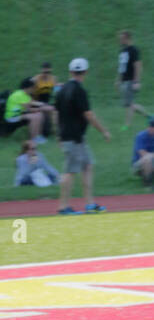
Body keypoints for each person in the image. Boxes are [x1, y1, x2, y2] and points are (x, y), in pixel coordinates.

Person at [54, 57, 111, 214]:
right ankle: (63, 206)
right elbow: (89, 115)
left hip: (73, 137)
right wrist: (104, 130)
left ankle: (90, 203)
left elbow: (55, 113)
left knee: (87, 165)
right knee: (70, 171)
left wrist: (58, 134)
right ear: (85, 72)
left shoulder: (62, 89)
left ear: (71, 72)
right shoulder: (79, 90)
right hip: (74, 138)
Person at [116, 29, 146, 129]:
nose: (120, 41)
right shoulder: (123, 51)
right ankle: (148, 116)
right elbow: (122, 67)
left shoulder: (134, 50)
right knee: (131, 104)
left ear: (127, 38)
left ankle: (127, 125)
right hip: (124, 81)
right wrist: (119, 80)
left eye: (121, 39)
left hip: (130, 81)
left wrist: (136, 81)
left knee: (129, 105)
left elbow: (138, 65)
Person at [131, 118, 154, 187]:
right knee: (147, 158)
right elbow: (143, 154)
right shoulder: (141, 136)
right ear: (150, 127)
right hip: (139, 164)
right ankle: (147, 181)